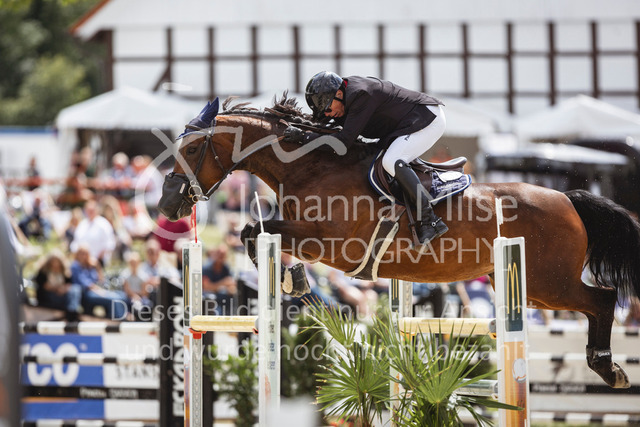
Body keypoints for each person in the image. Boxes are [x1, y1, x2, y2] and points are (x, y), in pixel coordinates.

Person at [284, 72, 448, 248]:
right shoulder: (341, 96)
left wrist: (304, 137)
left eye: (328, 109)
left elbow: (342, 143)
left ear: (338, 94)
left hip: (426, 119)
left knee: (391, 161)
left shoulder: (361, 95)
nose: (328, 114)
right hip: (405, 124)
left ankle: (430, 220)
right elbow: (322, 124)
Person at [70, 244, 127, 320]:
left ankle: (124, 316)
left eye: (86, 253)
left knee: (122, 296)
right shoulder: (75, 266)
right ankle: (118, 320)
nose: (84, 256)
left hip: (97, 290)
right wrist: (98, 290)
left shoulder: (89, 266)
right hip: (86, 293)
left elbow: (101, 280)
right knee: (114, 299)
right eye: (82, 253)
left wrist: (97, 265)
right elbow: (84, 283)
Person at [32, 251, 82, 321]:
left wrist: (63, 289)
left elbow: (69, 283)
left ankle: (72, 311)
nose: (55, 264)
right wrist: (57, 289)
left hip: (63, 295)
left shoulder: (65, 272)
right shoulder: (43, 272)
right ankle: (71, 314)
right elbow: (44, 286)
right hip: (49, 296)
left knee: (76, 290)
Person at [70, 199, 116, 267]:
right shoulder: (82, 224)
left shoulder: (104, 224)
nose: (90, 212)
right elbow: (75, 243)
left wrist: (98, 257)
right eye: (88, 210)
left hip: (98, 261)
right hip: (81, 261)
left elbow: (110, 244)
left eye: (92, 210)